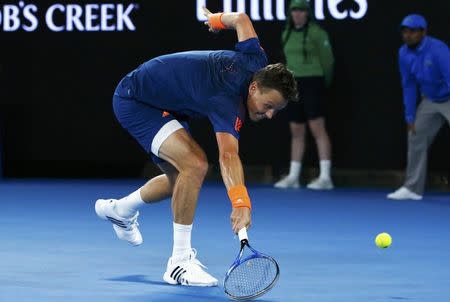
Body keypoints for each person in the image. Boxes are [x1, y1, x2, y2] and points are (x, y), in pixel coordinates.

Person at [95, 7, 297, 287]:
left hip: (165, 100)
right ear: (253, 89)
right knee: (195, 165)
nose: (270, 114)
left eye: (277, 109)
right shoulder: (227, 99)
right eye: (269, 106)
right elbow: (228, 155)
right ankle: (178, 264)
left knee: (180, 179)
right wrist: (241, 202)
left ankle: (120, 211)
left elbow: (240, 20)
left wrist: (214, 20)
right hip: (137, 101)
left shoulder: (256, 61)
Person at [388, 14, 449, 200]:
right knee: (415, 135)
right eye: (405, 32)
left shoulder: (439, 50)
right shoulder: (403, 53)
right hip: (430, 99)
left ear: (423, 32)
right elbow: (408, 85)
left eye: (413, 31)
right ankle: (412, 188)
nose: (408, 35)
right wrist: (410, 117)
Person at [274, 0, 334, 190]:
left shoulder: (318, 33)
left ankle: (325, 177)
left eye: (301, 10)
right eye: (294, 11)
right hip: (294, 86)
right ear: (290, 13)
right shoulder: (286, 34)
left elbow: (328, 63)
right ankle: (293, 176)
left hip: (313, 82)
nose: (298, 14)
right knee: (296, 131)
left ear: (307, 13)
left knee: (318, 129)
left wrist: (322, 84)